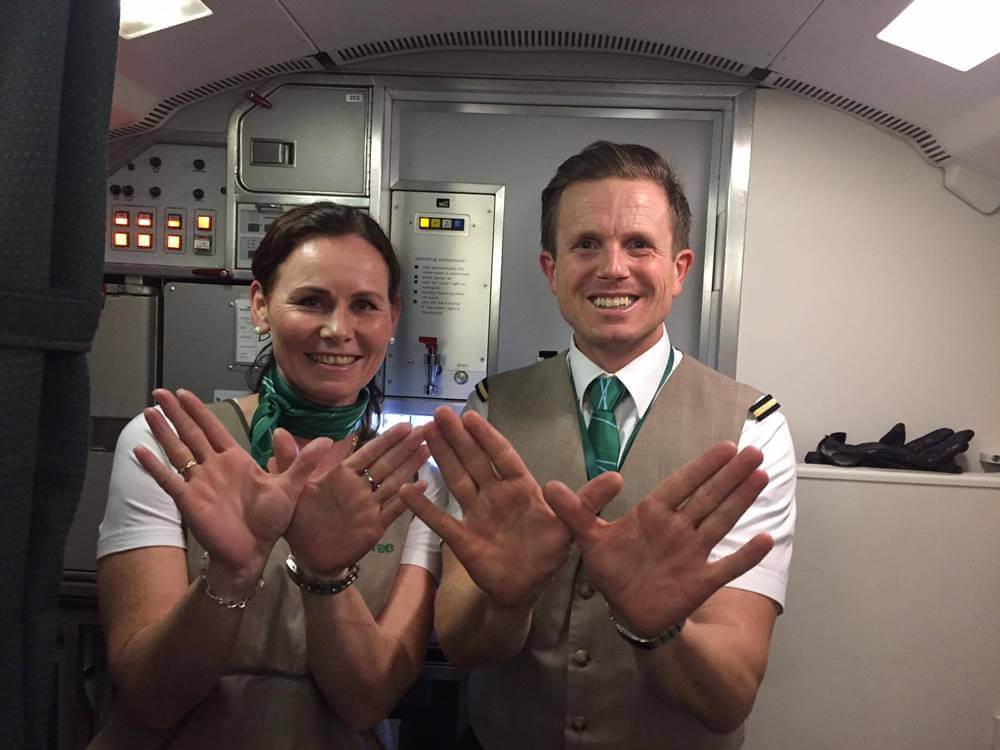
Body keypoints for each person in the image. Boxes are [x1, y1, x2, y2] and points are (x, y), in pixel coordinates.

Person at [400, 141, 796, 748]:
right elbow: (463, 647)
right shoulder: (490, 413)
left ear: (679, 269)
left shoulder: (752, 430)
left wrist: (658, 628)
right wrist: (507, 603)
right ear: (551, 270)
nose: (613, 268)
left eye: (639, 244)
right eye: (586, 244)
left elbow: (728, 698)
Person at [91, 202, 446, 749]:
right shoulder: (170, 445)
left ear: (392, 319)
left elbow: (367, 702)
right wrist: (230, 575)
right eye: (311, 301)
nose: (338, 329)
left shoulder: (414, 482)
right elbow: (151, 699)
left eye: (364, 305)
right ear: (260, 306)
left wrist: (326, 576)